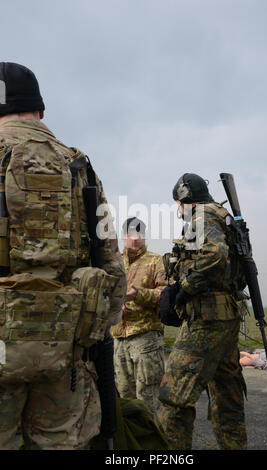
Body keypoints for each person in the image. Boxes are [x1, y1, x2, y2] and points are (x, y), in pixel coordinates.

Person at [0, 62, 126, 450]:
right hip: (66, 345)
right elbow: (110, 261)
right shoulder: (77, 164)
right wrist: (101, 327)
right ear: (40, 110)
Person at [157, 173, 247, 450]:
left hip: (206, 320)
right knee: (226, 395)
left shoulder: (201, 215)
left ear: (182, 200)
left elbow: (214, 254)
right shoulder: (221, 215)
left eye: (177, 205)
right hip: (226, 317)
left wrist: (184, 288)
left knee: (174, 397)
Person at [111, 217, 168, 415]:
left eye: (139, 234)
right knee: (124, 399)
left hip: (146, 338)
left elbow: (166, 295)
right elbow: (102, 294)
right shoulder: (114, 263)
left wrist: (139, 294)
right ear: (124, 236)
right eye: (130, 234)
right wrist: (116, 309)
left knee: (147, 399)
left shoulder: (156, 261)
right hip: (118, 338)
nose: (134, 239)